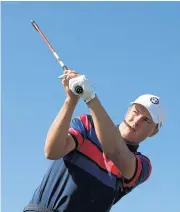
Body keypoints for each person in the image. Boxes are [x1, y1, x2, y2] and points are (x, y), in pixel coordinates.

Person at [23, 69, 165, 212]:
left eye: (146, 120)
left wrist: (91, 98)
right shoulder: (86, 124)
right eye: (136, 112)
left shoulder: (143, 165)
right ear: (128, 110)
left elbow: (115, 152)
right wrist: (71, 100)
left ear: (154, 131)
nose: (136, 121)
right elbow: (52, 151)